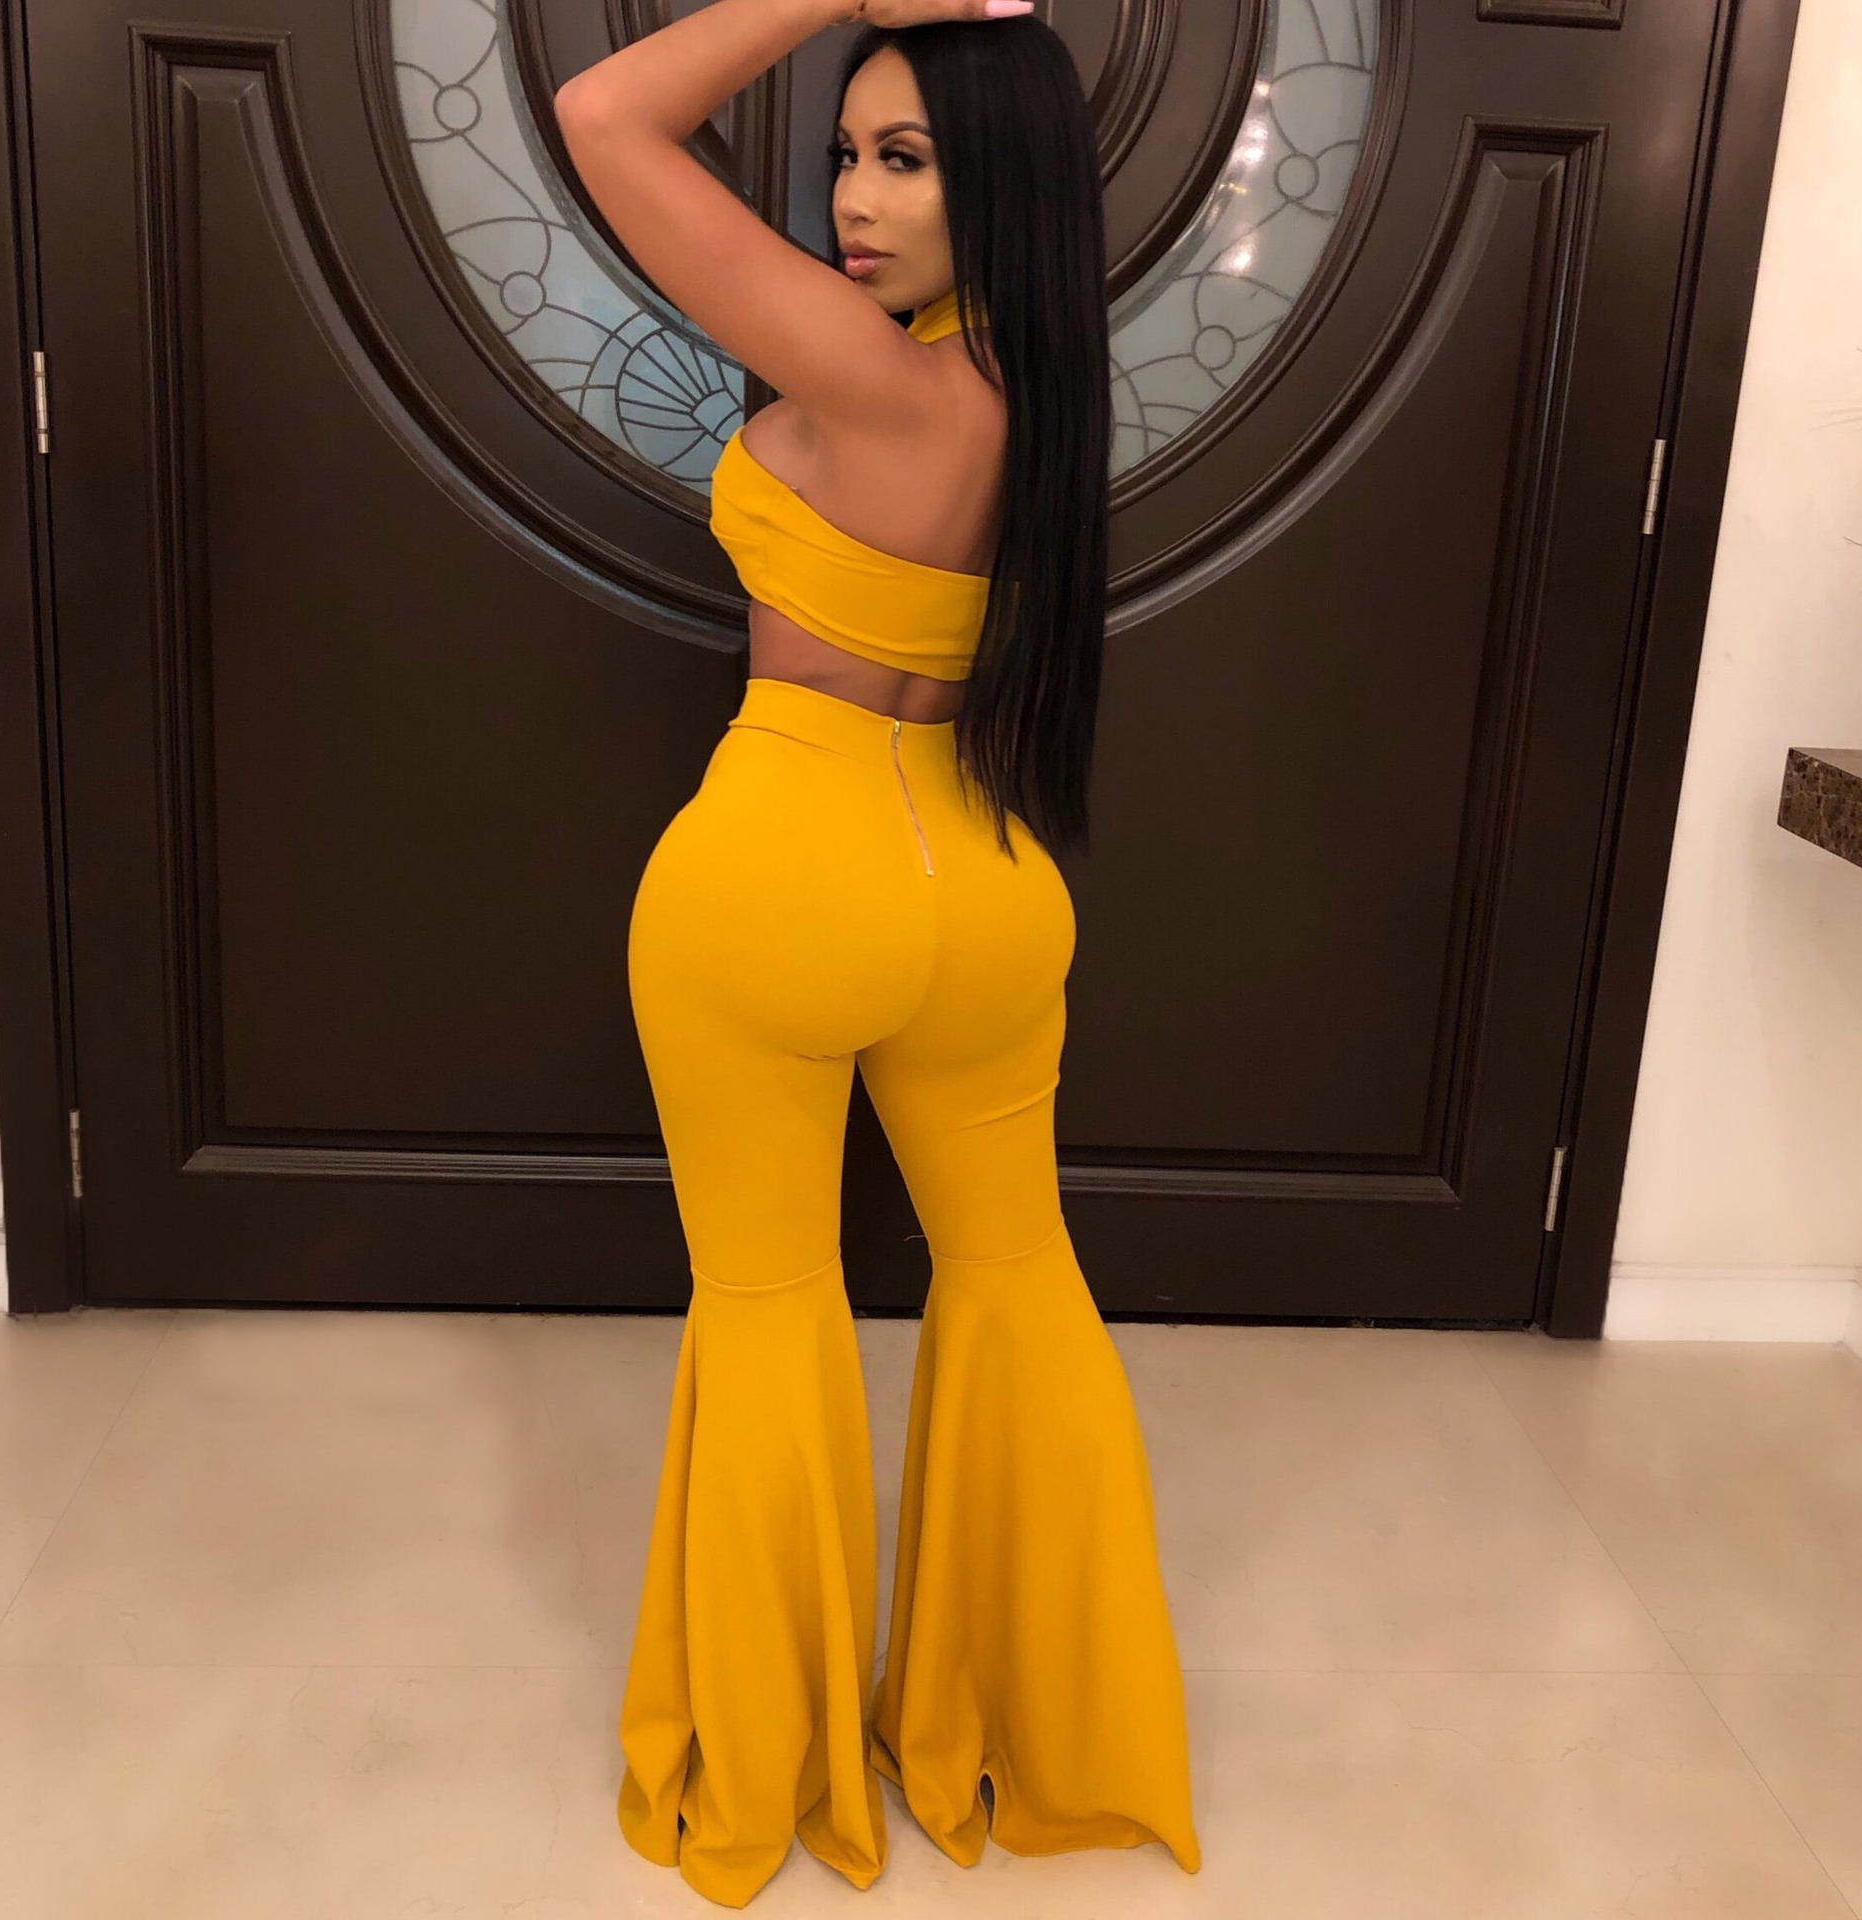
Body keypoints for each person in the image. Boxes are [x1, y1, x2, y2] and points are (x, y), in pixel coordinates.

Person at [554, 2, 1202, 1905]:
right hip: (990, 887)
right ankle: (1043, 1728)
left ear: (1000, 176)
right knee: (1018, 1279)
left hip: (782, 873)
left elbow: (606, 117)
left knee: (771, 1305)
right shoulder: (1031, 391)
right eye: (847, 154)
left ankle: (770, 1762)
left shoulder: (873, 378)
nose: (852, 197)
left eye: (903, 160)